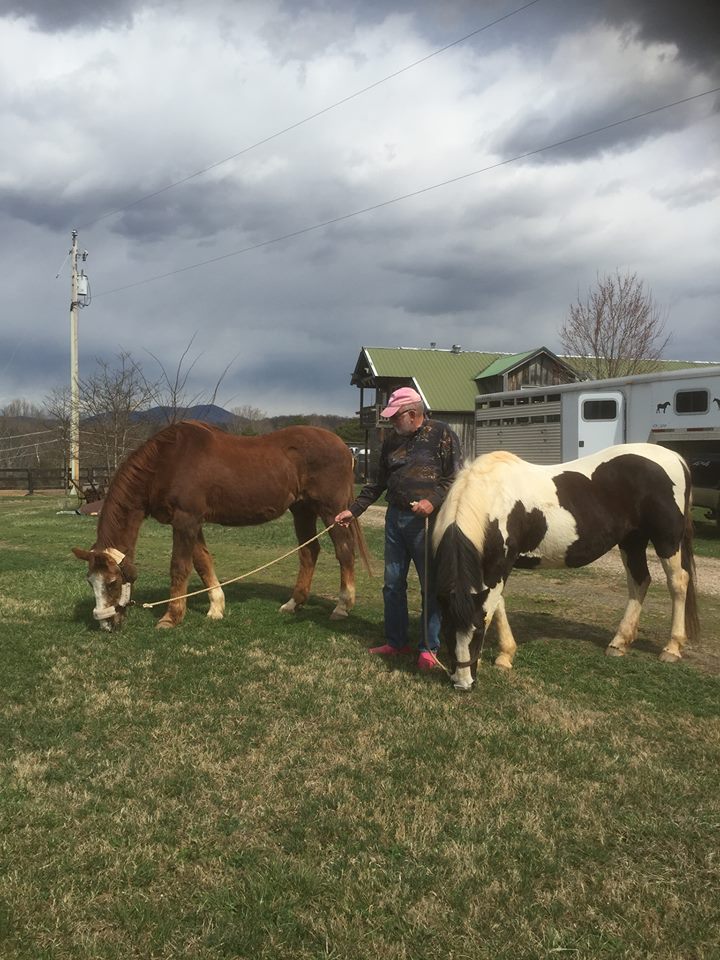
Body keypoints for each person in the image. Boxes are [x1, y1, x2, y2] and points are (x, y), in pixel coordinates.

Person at [335, 387, 463, 671]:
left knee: (429, 585)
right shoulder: (392, 440)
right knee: (393, 584)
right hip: (395, 519)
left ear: (413, 414)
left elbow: (455, 477)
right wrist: (353, 511)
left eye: (396, 417)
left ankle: (429, 647)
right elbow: (377, 484)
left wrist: (432, 501)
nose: (392, 422)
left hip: (427, 523)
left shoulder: (442, 434)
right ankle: (396, 641)